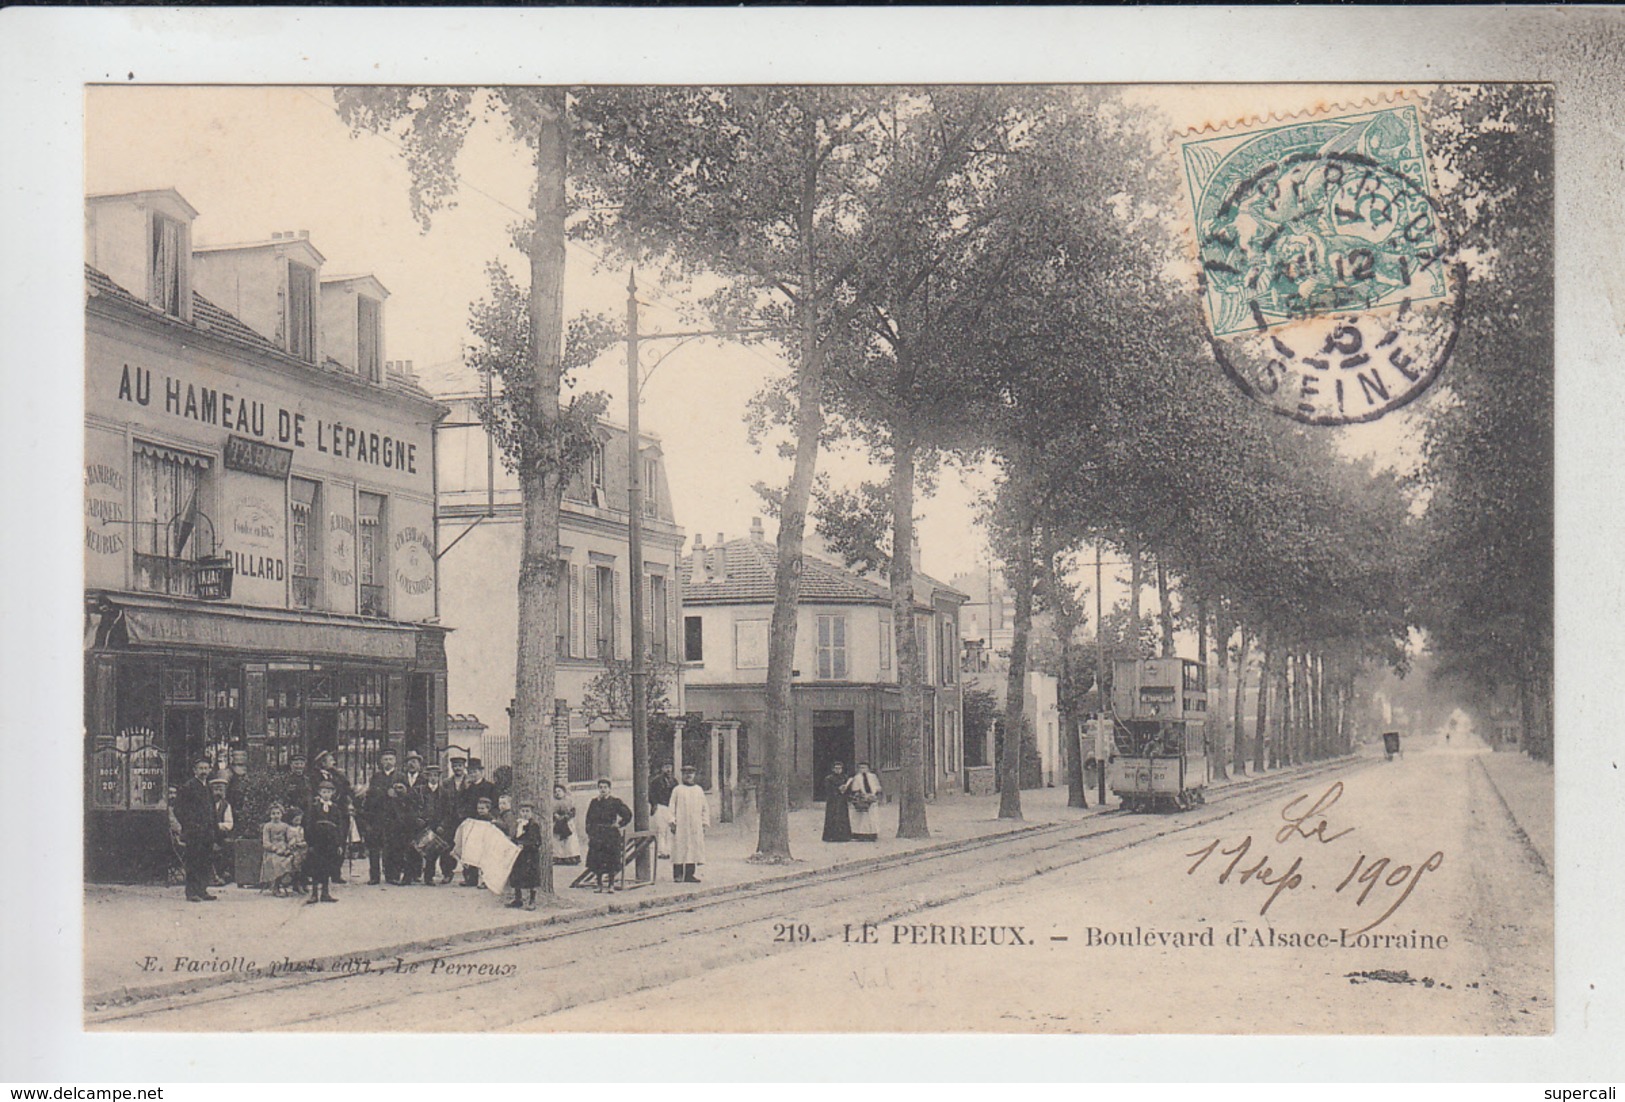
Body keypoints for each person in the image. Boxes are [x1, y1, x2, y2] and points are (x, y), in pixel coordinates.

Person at [170, 759, 218, 902]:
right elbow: (179, 809)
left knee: (205, 861)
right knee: (194, 861)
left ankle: (202, 890)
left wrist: (214, 828)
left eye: (206, 768)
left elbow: (212, 810)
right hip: (194, 832)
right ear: (195, 770)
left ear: (210, 770)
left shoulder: (208, 787)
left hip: (207, 832)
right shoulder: (188, 787)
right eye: (200, 768)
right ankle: (191, 892)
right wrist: (191, 824)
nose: (204, 771)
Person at [311, 751, 354, 883]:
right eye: (330, 760)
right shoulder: (314, 776)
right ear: (322, 763)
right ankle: (320, 874)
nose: (333, 762)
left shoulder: (338, 775)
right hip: (323, 813)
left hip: (339, 812)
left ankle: (336, 873)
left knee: (339, 841)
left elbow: (347, 789)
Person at [584, 778, 632, 893]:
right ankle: (599, 884)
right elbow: (588, 819)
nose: (603, 790)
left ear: (610, 789)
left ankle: (611, 884)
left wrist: (619, 824)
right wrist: (590, 833)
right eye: (600, 787)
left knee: (611, 860)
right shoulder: (594, 802)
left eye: (605, 787)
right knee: (597, 860)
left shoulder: (615, 802)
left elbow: (628, 814)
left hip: (610, 835)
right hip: (598, 834)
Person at [361, 750, 402, 885]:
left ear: (395, 761)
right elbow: (371, 796)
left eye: (390, 759)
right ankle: (374, 876)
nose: (388, 762)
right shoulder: (376, 777)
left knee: (393, 847)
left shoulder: (400, 777)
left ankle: (392, 876)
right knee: (374, 847)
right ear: (381, 762)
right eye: (385, 759)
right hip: (377, 817)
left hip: (394, 817)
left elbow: (406, 798)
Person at [457, 761, 498, 886]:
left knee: (485, 850)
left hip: (485, 823)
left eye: (475, 772)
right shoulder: (468, 787)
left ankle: (486, 879)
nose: (473, 774)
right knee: (470, 849)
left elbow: (495, 805)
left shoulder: (490, 787)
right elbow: (460, 802)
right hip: (471, 821)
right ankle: (470, 878)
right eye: (470, 772)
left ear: (481, 772)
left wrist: (490, 817)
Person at [304, 778, 344, 903]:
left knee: (327, 866)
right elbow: (308, 825)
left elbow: (339, 827)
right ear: (319, 793)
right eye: (324, 792)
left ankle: (325, 893)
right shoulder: (314, 807)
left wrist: (339, 844)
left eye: (329, 792)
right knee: (316, 866)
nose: (326, 794)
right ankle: (314, 893)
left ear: (333, 793)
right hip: (318, 840)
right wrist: (310, 842)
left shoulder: (335, 808)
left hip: (330, 841)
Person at [415, 764, 456, 885]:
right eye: (430, 775)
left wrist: (443, 825)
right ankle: (429, 877)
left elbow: (449, 812)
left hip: (440, 827)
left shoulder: (445, 792)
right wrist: (420, 819)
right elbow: (417, 807)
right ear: (427, 777)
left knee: (443, 850)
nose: (433, 778)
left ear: (439, 777)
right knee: (429, 852)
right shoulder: (421, 791)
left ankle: (447, 873)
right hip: (426, 825)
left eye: (435, 775)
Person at [670, 764, 711, 883]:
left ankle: (689, 875)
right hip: (681, 825)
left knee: (693, 849)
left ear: (694, 775)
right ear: (682, 775)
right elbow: (671, 807)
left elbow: (705, 808)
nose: (688, 775)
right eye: (686, 773)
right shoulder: (677, 790)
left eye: (691, 773)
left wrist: (704, 823)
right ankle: (677, 874)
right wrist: (672, 821)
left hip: (694, 825)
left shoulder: (698, 790)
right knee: (679, 848)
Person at [508, 802, 543, 910]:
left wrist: (525, 845)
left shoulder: (533, 825)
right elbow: (514, 837)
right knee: (517, 875)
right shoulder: (518, 824)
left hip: (530, 855)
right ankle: (518, 898)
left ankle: (532, 900)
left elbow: (536, 841)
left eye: (527, 811)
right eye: (523, 811)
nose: (525, 814)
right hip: (519, 855)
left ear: (532, 813)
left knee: (531, 878)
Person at [260, 802, 296, 897]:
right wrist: (275, 849)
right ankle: (275, 887)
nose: (276, 816)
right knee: (277, 862)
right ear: (270, 815)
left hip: (284, 849)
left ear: (282, 814)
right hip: (271, 852)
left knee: (294, 859)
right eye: (273, 813)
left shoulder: (285, 826)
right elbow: (266, 842)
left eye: (278, 813)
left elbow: (290, 838)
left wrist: (290, 845)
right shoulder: (267, 826)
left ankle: (296, 884)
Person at [208, 771, 235, 884]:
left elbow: (229, 823)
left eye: (221, 790)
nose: (218, 793)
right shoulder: (207, 803)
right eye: (216, 790)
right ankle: (211, 876)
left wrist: (218, 825)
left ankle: (222, 874)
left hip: (220, 834)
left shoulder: (226, 805)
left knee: (226, 846)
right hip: (207, 833)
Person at [845, 761, 882, 842]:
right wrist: (861, 794)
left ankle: (872, 834)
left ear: (868, 769)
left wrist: (873, 794)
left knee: (872, 817)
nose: (863, 770)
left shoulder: (873, 776)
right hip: (862, 798)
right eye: (861, 768)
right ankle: (859, 834)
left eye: (864, 768)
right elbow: (854, 788)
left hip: (871, 797)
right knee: (860, 817)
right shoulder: (857, 777)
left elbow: (877, 786)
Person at [649, 763, 678, 861]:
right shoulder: (656, 781)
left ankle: (669, 851)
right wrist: (655, 804)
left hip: (670, 808)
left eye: (670, 767)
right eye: (666, 767)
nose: (668, 769)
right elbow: (651, 794)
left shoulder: (674, 781)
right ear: (662, 768)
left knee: (670, 830)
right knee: (661, 830)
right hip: (660, 807)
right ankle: (661, 851)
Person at [821, 761, 853, 843]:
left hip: (842, 801)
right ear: (833, 769)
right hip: (833, 801)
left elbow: (849, 789)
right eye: (836, 768)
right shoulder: (829, 778)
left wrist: (846, 790)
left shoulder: (845, 777)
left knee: (843, 817)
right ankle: (831, 836)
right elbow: (827, 789)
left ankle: (844, 836)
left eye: (840, 768)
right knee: (832, 817)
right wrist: (838, 790)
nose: (838, 770)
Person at [551, 784, 581, 865]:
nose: (557, 793)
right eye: (555, 792)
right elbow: (551, 812)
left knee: (570, 840)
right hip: (557, 823)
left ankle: (571, 856)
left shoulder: (569, 801)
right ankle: (559, 857)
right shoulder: (553, 802)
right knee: (557, 841)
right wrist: (555, 815)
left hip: (567, 822)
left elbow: (573, 811)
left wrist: (567, 816)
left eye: (559, 791)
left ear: (564, 792)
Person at [285, 808, 308, 895]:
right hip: (294, 849)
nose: (298, 821)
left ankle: (304, 883)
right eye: (296, 819)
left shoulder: (301, 828)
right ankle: (297, 885)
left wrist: (303, 843)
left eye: (300, 819)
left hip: (302, 848)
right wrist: (295, 843)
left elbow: (304, 838)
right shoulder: (289, 829)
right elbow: (290, 840)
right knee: (296, 865)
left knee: (305, 864)